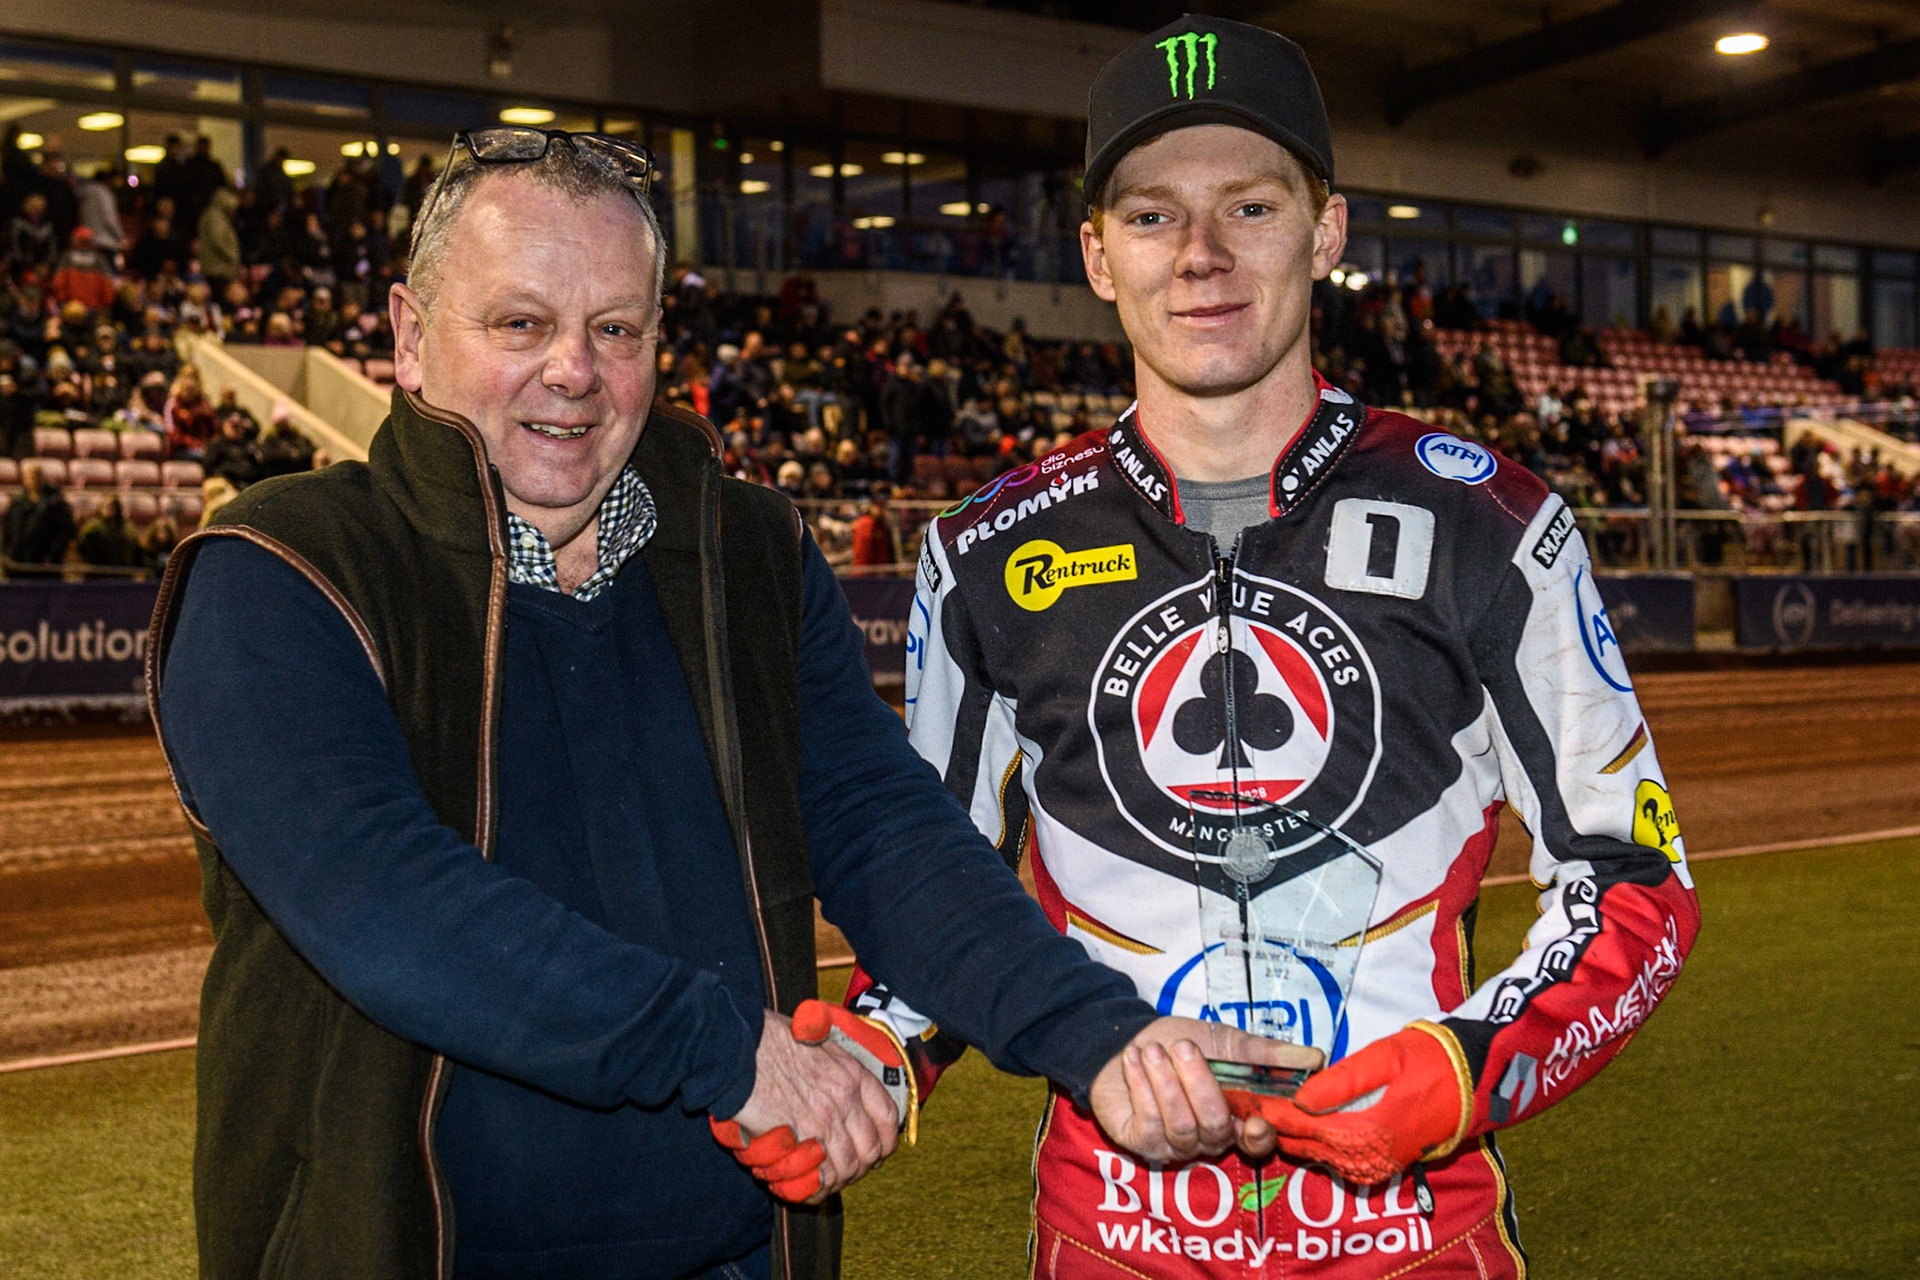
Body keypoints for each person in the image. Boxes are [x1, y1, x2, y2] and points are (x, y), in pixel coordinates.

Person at [148, 127, 1307, 1280]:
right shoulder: (280, 568)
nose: (574, 369)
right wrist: (727, 1050)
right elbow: (383, 900)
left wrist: (1102, 1033)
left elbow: (884, 830)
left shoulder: (746, 552)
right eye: (520, 324)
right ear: (410, 337)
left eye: (616, 328)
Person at [855, 18, 1701, 1278]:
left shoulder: (1492, 524)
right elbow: (938, 895)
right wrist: (871, 1053)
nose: (1200, 254)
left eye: (1250, 206)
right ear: (1096, 255)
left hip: (1414, 1235)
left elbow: (1636, 879)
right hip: (1113, 1241)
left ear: (1327, 231)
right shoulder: (983, 555)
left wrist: (1466, 1067)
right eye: (1152, 215)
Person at [1, 459, 77, 575]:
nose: (34, 479)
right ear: (25, 478)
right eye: (30, 475)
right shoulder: (17, 502)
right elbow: (8, 530)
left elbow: (64, 532)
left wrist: (52, 556)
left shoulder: (56, 502)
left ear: (43, 477)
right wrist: (8, 555)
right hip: (17, 565)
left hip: (45, 565)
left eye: (37, 475)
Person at [847, 482, 898, 570]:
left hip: (882, 573)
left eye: (884, 506)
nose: (883, 510)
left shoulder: (883, 525)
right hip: (869, 574)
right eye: (879, 506)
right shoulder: (866, 523)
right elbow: (863, 557)